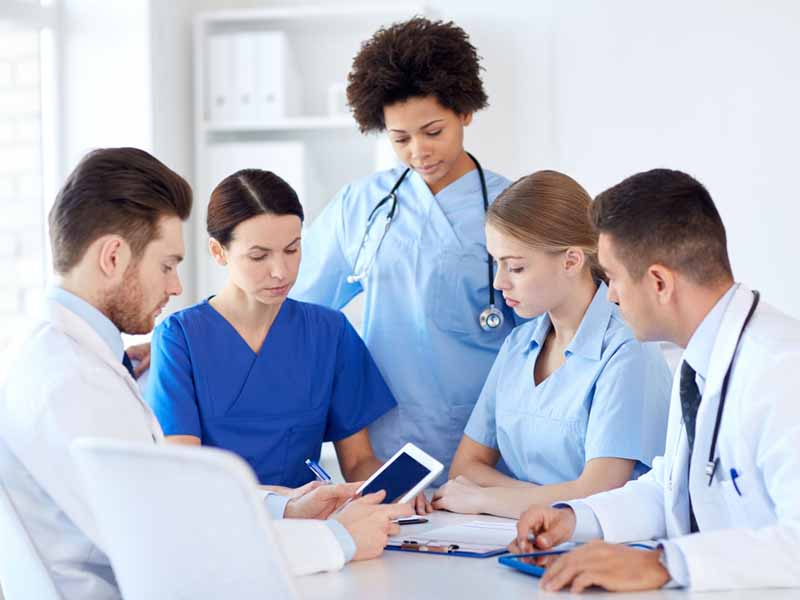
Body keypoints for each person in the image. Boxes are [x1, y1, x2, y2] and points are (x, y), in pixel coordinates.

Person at [0, 148, 411, 600]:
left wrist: (288, 507)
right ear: (113, 256)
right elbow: (168, 544)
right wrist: (336, 539)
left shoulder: (62, 357)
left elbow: (171, 501)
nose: (176, 286)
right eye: (167, 265)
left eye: (292, 249)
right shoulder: (72, 382)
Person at [511, 169, 800, 593]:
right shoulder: (697, 360)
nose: (610, 295)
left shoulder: (782, 369)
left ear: (659, 282)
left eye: (612, 278)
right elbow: (672, 489)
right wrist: (574, 518)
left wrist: (664, 564)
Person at [290, 17, 516, 484]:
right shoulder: (360, 206)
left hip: (489, 442)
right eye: (400, 139)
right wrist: (205, 335)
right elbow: (292, 302)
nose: (418, 151)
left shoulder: (513, 209)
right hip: (385, 443)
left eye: (433, 131)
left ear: (465, 112)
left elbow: (547, 336)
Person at [145, 169, 429, 512]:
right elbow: (185, 472)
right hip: (216, 521)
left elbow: (358, 462)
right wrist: (284, 502)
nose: (281, 271)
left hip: (312, 527)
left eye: (292, 249)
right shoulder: (179, 338)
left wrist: (392, 487)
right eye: (259, 256)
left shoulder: (330, 332)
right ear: (219, 252)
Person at [432, 171, 671, 518]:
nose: (499, 283)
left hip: (603, 541)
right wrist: (542, 498)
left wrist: (487, 499)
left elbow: (599, 494)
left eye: (515, 267)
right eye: (496, 264)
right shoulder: (518, 344)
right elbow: (465, 467)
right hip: (516, 535)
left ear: (571, 261)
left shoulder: (627, 348)